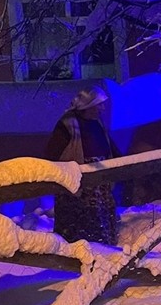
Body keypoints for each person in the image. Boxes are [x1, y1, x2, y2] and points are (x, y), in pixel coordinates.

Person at [46, 86, 119, 246]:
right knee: (78, 217)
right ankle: (76, 250)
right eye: (99, 104)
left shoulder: (96, 123)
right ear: (89, 105)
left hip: (99, 181)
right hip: (77, 181)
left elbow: (108, 145)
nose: (102, 108)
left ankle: (103, 248)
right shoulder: (68, 125)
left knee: (100, 215)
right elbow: (52, 153)